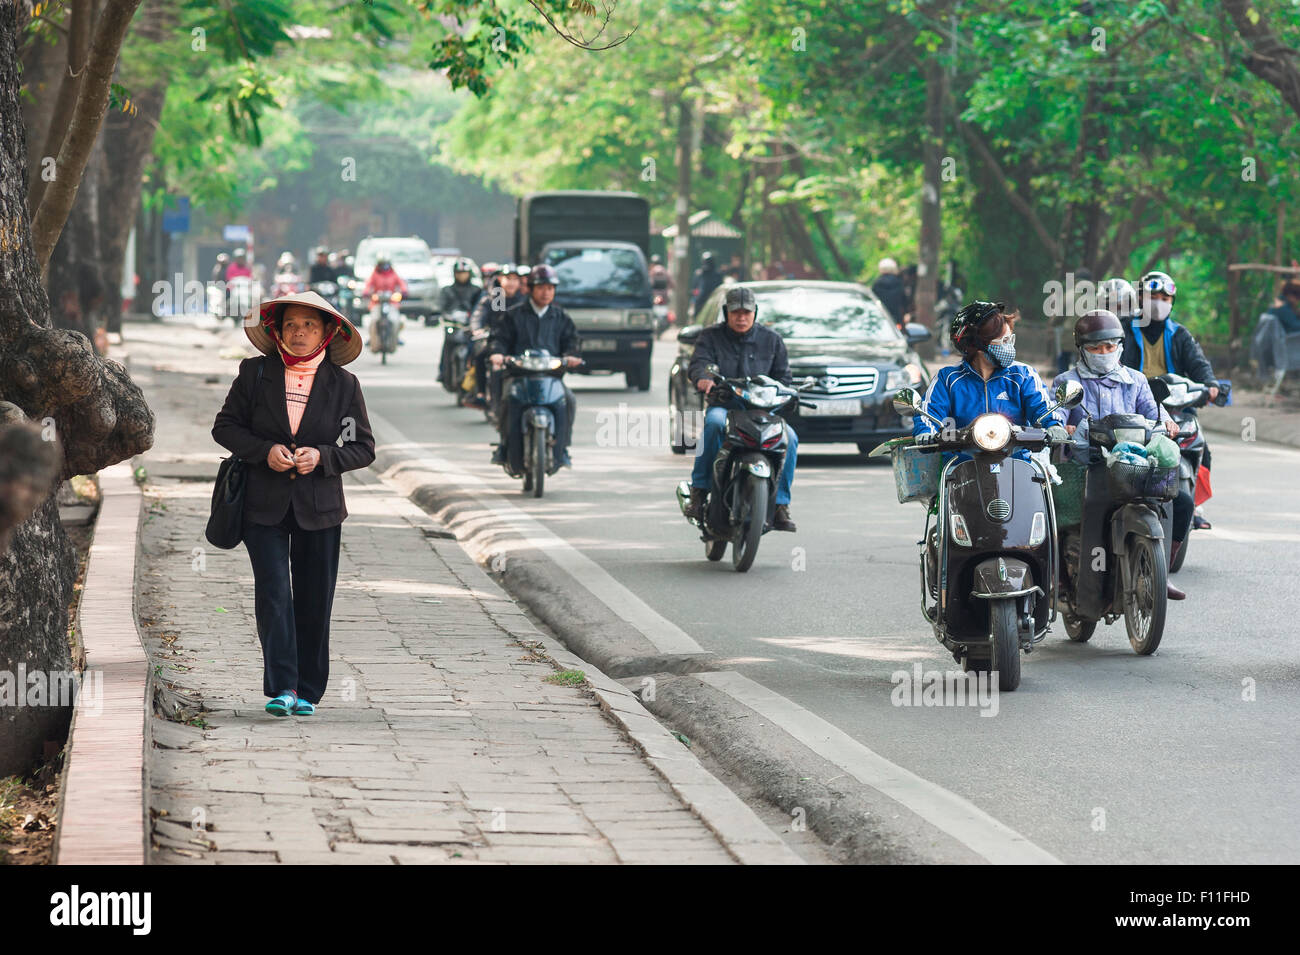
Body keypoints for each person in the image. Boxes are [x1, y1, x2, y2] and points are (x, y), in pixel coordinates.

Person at [211, 290, 374, 717]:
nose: (299, 333)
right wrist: (263, 450)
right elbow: (225, 427)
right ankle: (281, 686)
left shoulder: (343, 385)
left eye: (309, 325)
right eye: (291, 325)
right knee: (274, 594)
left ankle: (307, 690)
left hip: (320, 508)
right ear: (277, 331)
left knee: (315, 597)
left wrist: (324, 457)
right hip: (262, 505)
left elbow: (362, 447)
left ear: (326, 333)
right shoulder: (255, 374)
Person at [1053, 309, 1188, 600]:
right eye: (1095, 348)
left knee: (1183, 500)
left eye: (1110, 346)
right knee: (1059, 508)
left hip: (1132, 463)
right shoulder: (1068, 381)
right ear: (1082, 349)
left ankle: (1158, 571)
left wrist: (1167, 424)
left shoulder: (1136, 380)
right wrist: (1061, 426)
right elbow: (1056, 416)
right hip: (1086, 464)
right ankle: (1061, 577)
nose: (1104, 352)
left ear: (1120, 346)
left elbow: (1154, 414)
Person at [682, 286, 799, 532]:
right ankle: (699, 491)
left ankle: (780, 505)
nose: (741, 317)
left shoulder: (772, 340)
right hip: (726, 408)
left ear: (755, 313)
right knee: (713, 424)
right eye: (736, 312)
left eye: (747, 312)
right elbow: (699, 364)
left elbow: (784, 379)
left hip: (764, 412)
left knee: (792, 438)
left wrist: (789, 392)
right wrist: (703, 377)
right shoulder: (710, 337)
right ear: (726, 312)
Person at [1120, 269, 1220, 528]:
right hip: (1137, 407)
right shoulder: (1124, 329)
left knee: (1202, 450)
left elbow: (1199, 364)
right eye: (1154, 295)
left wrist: (1210, 385)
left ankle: (1195, 507)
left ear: (1172, 303)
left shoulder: (1180, 335)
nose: (1159, 302)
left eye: (1166, 298)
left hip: (1177, 404)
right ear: (1140, 297)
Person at [913, 300, 1067, 459]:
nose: (1010, 347)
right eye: (1004, 341)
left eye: (1010, 340)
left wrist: (1053, 425)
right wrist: (926, 431)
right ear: (979, 345)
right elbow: (929, 412)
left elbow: (1042, 407)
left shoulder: (1023, 375)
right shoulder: (947, 379)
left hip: (1018, 464)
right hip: (961, 467)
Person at [488, 264, 582, 470]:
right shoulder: (513, 315)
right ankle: (505, 447)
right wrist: (498, 353)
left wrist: (572, 356)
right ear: (530, 288)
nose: (546, 292)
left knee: (569, 401)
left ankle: (563, 449)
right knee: (507, 402)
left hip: (551, 376)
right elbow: (499, 339)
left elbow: (572, 342)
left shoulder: (560, 317)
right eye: (541, 288)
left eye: (550, 288)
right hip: (518, 375)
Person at [466, 264, 528, 408]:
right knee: (481, 355)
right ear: (500, 279)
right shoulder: (494, 298)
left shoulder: (524, 301)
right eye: (508, 278)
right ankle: (482, 394)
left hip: (518, 343)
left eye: (515, 279)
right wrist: (477, 330)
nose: (511, 283)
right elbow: (477, 317)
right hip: (495, 341)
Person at [872, 257, 908, 328]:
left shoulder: (877, 283)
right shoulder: (898, 283)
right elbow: (904, 301)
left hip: (880, 318)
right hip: (895, 319)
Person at [691, 251, 724, 318]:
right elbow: (695, 289)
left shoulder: (717, 274)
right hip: (701, 302)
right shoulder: (699, 274)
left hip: (714, 302)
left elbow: (720, 288)